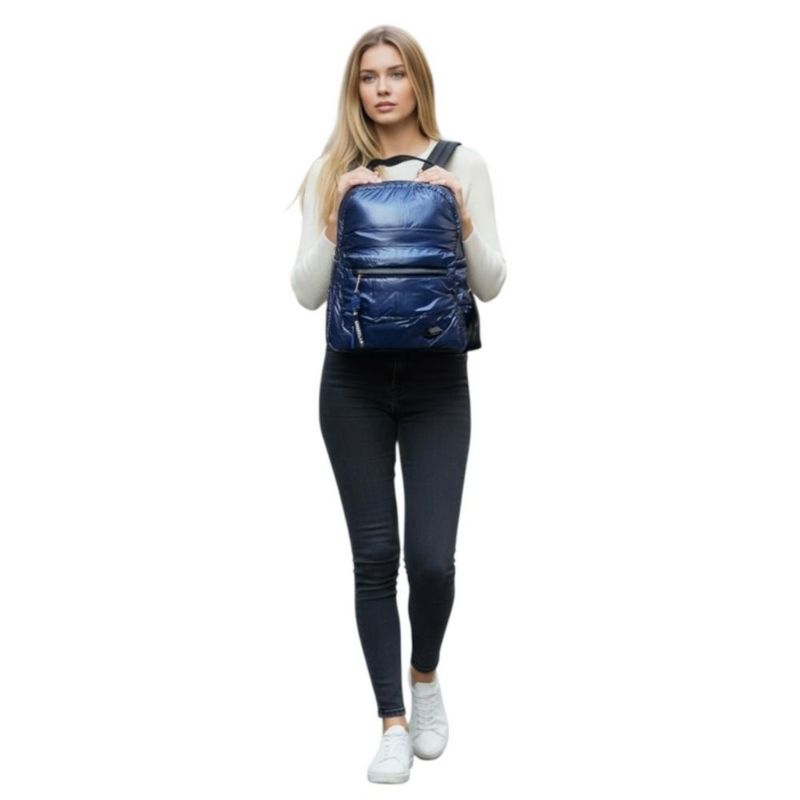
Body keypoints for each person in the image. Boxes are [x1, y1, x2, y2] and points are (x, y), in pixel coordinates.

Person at [289, 25, 507, 784]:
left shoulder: (463, 163)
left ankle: (426, 676)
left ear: (418, 82)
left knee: (433, 562)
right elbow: (306, 292)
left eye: (396, 74)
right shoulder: (332, 169)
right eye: (368, 76)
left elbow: (492, 284)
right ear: (355, 90)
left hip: (436, 384)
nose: (382, 88)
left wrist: (461, 215)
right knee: (375, 558)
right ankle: (390, 721)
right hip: (351, 384)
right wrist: (334, 215)